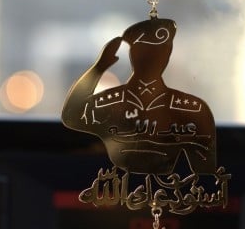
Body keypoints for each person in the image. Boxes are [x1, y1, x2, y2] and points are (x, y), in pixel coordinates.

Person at [61, 17, 216, 176]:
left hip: (167, 187)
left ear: (167, 55)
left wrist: (100, 67)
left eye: (160, 52)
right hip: (116, 182)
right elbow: (72, 116)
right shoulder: (110, 103)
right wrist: (98, 68)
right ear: (133, 54)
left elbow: (205, 172)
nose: (152, 59)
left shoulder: (192, 109)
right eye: (145, 52)